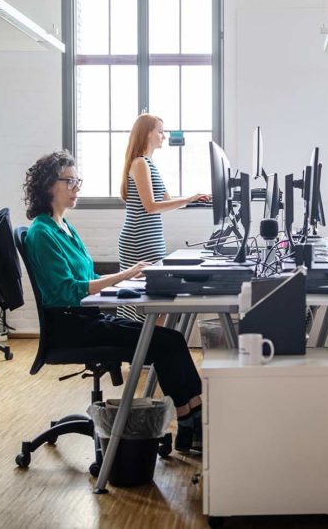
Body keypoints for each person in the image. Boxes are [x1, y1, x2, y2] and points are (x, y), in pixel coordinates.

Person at [24, 150, 203, 452]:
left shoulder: (64, 227)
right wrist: (124, 276)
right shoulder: (42, 233)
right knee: (166, 343)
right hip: (71, 327)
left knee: (171, 338)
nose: (76, 187)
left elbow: (89, 275)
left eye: (77, 180)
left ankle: (195, 418)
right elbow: (69, 290)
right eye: (70, 181)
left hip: (88, 318)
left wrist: (133, 279)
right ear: (47, 186)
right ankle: (190, 424)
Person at [118, 114, 209, 321]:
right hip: (139, 240)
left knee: (158, 301)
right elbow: (150, 207)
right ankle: (143, 348)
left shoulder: (149, 163)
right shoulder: (140, 163)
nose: (164, 136)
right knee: (150, 300)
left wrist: (196, 199)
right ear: (147, 133)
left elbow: (166, 200)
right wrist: (188, 199)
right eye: (160, 131)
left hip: (151, 239)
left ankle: (152, 348)